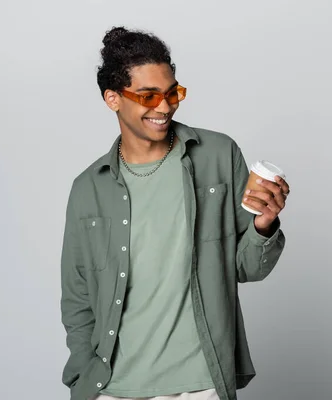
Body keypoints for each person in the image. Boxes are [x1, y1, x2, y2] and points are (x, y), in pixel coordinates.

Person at [59, 26, 290, 400]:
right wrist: (85, 377)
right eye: (149, 96)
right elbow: (77, 297)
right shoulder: (88, 188)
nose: (164, 107)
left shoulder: (218, 155)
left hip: (201, 384)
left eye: (172, 93)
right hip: (113, 389)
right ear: (113, 99)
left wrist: (264, 225)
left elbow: (247, 268)